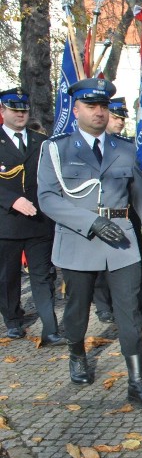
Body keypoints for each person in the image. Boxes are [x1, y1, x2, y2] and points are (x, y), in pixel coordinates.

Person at [37, 78, 142, 407]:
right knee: (77, 309)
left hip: (121, 241)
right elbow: (48, 198)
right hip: (78, 240)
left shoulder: (124, 148)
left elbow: (141, 196)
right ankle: (76, 351)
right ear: (76, 109)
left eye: (103, 106)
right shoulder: (56, 148)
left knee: (129, 311)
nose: (98, 112)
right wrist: (91, 222)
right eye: (91, 106)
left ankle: (136, 381)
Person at [92, 96, 142, 326]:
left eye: (122, 117)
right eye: (115, 116)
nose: (120, 122)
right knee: (99, 263)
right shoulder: (88, 149)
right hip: (97, 213)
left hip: (127, 210)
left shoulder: (127, 146)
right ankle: (104, 305)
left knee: (133, 260)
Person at [0, 87, 62, 344]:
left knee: (43, 274)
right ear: (2, 112)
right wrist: (12, 200)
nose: (20, 114)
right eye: (14, 110)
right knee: (7, 276)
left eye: (23, 110)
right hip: (6, 223)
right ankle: (13, 320)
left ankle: (50, 327)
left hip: (39, 221)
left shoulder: (41, 142)